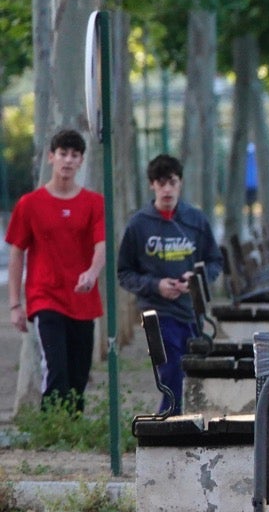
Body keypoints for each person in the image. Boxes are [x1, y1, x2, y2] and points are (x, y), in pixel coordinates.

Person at [6, 129, 105, 414]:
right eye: (63, 154)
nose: (68, 160)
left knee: (78, 372)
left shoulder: (93, 203)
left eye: (74, 155)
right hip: (45, 297)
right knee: (57, 368)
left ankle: (71, 428)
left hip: (83, 300)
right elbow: (16, 253)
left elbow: (102, 245)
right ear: (51, 157)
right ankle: (52, 427)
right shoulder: (30, 204)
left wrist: (91, 272)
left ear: (81, 161)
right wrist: (15, 304)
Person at [117, 154, 223, 415]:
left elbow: (214, 262)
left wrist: (196, 281)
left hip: (192, 311)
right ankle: (169, 419)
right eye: (161, 183)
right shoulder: (139, 224)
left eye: (172, 182)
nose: (167, 189)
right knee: (170, 368)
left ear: (180, 183)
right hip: (156, 313)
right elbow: (124, 272)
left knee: (193, 371)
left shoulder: (195, 220)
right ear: (152, 185)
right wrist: (156, 285)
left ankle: (188, 420)